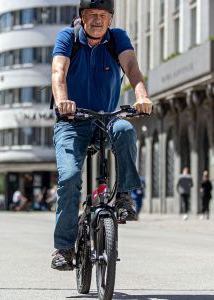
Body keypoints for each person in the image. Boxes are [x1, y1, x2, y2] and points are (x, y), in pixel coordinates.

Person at [51, 0, 153, 271]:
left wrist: (141, 95)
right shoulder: (68, 38)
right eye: (92, 15)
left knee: (125, 129)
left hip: (105, 120)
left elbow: (132, 68)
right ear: (81, 18)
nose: (98, 20)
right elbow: (58, 72)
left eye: (103, 15)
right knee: (70, 178)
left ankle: (123, 196)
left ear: (110, 19)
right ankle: (63, 247)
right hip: (71, 122)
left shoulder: (116, 38)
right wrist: (62, 101)